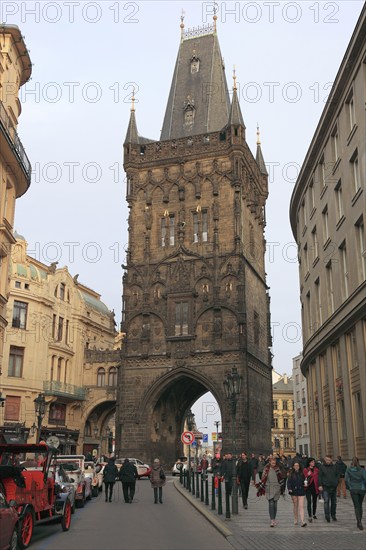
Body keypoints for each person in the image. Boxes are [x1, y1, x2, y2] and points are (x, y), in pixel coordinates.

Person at [256, 456, 285, 527]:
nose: (273, 464)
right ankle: (272, 520)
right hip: (269, 487)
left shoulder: (277, 469)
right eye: (272, 463)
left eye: (274, 463)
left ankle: (274, 519)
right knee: (271, 503)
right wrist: (264, 486)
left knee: (275, 505)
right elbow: (263, 478)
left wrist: (280, 487)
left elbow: (281, 478)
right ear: (269, 462)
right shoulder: (266, 469)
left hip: (276, 488)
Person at [345, 456, 366, 530]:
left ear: (352, 462)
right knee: (360, 505)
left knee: (356, 506)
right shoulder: (362, 469)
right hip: (361, 489)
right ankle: (359, 521)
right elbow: (365, 478)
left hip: (353, 489)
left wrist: (349, 487)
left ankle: (359, 521)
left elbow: (346, 480)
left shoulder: (348, 469)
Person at [318, 454, 340, 522]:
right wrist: (320, 485)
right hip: (325, 487)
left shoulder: (335, 467)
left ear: (331, 460)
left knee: (334, 502)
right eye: (326, 460)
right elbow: (320, 476)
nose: (327, 461)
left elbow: (337, 475)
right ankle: (327, 516)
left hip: (333, 487)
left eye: (329, 460)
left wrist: (336, 482)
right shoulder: (322, 467)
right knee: (326, 501)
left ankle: (333, 515)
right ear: (325, 459)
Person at [287, 460, 307, 527]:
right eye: (295, 465)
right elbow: (288, 482)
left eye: (297, 465)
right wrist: (289, 489)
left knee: (301, 506)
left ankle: (303, 521)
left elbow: (305, 480)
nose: (296, 467)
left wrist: (305, 484)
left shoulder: (302, 473)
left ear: (299, 466)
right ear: (293, 466)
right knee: (295, 506)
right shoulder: (291, 473)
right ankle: (295, 518)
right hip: (294, 491)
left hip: (301, 490)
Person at [303, 457, 319, 522]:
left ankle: (314, 514)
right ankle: (310, 516)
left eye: (314, 462)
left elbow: (318, 478)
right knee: (309, 501)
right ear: (309, 463)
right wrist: (307, 474)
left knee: (314, 501)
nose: (313, 463)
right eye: (312, 462)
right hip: (308, 487)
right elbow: (304, 477)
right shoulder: (305, 469)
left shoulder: (317, 470)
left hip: (315, 487)